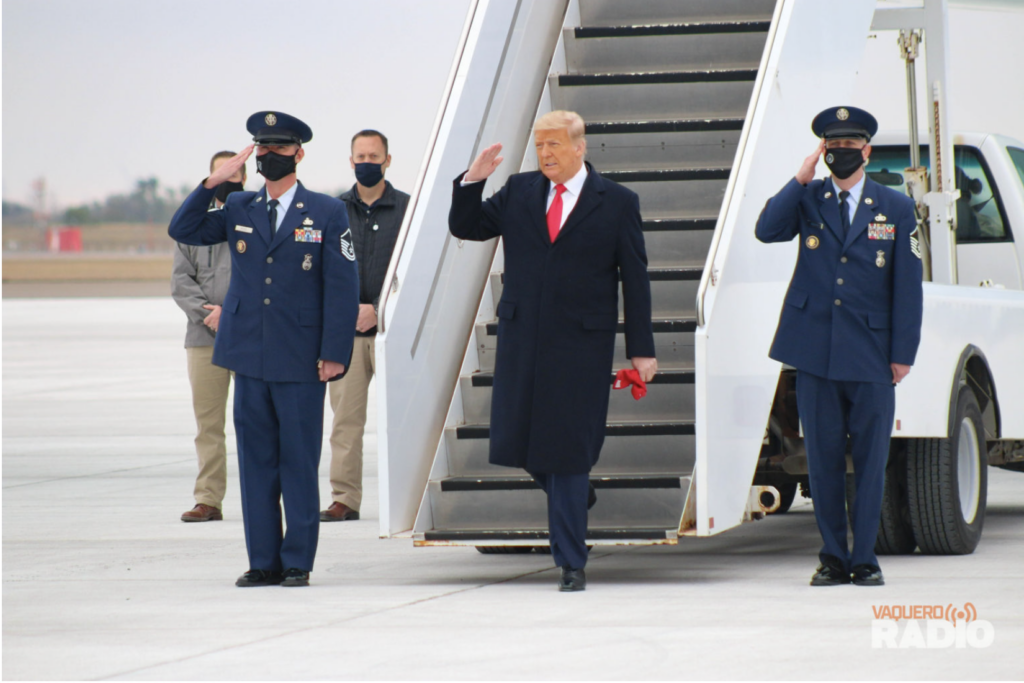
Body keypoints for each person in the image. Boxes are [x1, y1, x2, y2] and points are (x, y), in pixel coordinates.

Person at [448, 110, 657, 592]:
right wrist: (472, 182)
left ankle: (571, 563)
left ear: (580, 147)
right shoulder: (520, 190)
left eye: (554, 145)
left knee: (566, 450)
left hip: (582, 343)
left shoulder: (618, 202)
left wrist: (640, 349)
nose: (545, 154)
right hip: (523, 338)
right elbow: (468, 227)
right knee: (514, 439)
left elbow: (636, 279)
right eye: (540, 146)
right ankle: (577, 492)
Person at [168, 111, 359, 588]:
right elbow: (183, 228)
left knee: (297, 461)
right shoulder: (239, 207)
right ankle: (263, 561)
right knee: (256, 464)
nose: (270, 156)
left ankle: (297, 561)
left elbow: (341, 287)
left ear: (299, 153)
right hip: (248, 355)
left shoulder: (327, 211)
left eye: (279, 148)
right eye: (262, 148)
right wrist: (214, 181)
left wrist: (334, 352)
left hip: (300, 359)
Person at [755, 106, 923, 587]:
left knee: (870, 462)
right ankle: (832, 556)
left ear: (867, 150)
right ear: (823, 151)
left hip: (871, 353)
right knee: (823, 460)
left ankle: (864, 558)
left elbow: (908, 286)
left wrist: (902, 353)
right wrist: (799, 177)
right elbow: (766, 230)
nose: (842, 154)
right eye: (834, 147)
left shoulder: (895, 207)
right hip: (816, 352)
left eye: (851, 146)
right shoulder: (808, 199)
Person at [321, 130, 410, 523]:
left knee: (405, 419)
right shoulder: (332, 211)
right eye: (361, 156)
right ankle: (345, 498)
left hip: (394, 331)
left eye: (375, 155)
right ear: (351, 160)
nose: (367, 162)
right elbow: (323, 273)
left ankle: (410, 495)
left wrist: (378, 309)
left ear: (388, 160)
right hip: (346, 336)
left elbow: (415, 271)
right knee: (345, 422)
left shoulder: (409, 209)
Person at [172, 151, 245, 523]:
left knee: (255, 422)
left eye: (234, 172)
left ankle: (259, 497)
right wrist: (210, 314)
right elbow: (181, 282)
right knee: (208, 424)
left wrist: (231, 313)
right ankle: (208, 499)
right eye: (221, 173)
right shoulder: (191, 229)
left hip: (249, 336)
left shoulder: (254, 218)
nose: (229, 178)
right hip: (204, 338)